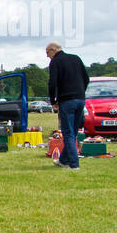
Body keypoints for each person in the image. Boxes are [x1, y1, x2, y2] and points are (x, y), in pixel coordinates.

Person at [45, 41, 89, 170]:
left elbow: (52, 83)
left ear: (54, 50)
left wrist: (53, 101)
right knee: (73, 132)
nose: (47, 56)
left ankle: (74, 164)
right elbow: (86, 79)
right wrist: (80, 92)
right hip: (80, 99)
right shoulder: (76, 58)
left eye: (47, 52)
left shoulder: (55, 62)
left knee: (68, 133)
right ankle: (64, 160)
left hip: (66, 101)